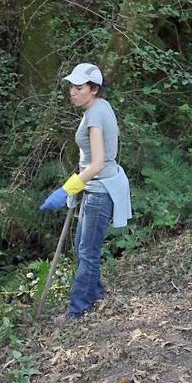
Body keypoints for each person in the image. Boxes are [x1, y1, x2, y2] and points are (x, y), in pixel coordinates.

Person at [39, 63, 132, 324]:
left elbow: (99, 162)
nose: (72, 92)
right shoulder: (100, 108)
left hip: (99, 191)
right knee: (83, 249)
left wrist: (67, 188)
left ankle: (77, 310)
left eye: (79, 87)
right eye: (71, 86)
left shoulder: (94, 116)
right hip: (95, 188)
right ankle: (95, 293)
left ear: (93, 90)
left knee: (87, 251)